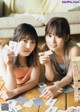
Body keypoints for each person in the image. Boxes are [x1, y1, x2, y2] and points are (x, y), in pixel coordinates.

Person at [39, 17, 80, 99]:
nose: (52, 41)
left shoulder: (73, 50)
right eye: (49, 35)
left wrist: (55, 87)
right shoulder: (46, 49)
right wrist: (47, 64)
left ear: (66, 37)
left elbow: (70, 76)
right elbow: (50, 78)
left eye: (58, 36)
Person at [0, 23, 40, 100]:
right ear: (15, 41)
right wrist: (9, 65)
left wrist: (16, 92)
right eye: (25, 41)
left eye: (32, 42)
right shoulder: (4, 56)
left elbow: (34, 80)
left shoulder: (35, 53)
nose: (29, 46)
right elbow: (11, 87)